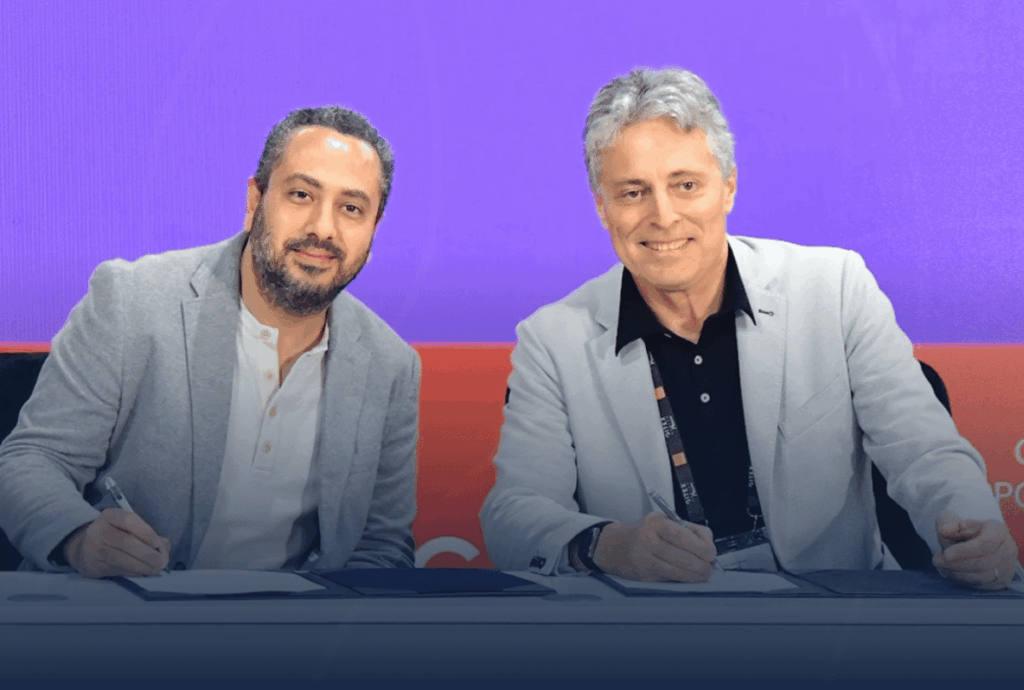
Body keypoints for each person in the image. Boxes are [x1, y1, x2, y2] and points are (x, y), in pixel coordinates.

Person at [480, 68, 1019, 590]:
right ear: (603, 208)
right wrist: (607, 544)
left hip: (832, 625)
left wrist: (973, 528)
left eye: (686, 185)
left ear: (729, 188)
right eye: (633, 192)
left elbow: (924, 450)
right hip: (654, 631)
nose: (663, 216)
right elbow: (513, 513)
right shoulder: (552, 341)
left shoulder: (835, 289)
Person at [0, 106, 420, 577]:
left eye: (351, 208)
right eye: (302, 195)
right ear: (255, 200)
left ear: (373, 229)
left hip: (299, 620)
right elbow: (31, 461)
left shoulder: (391, 365)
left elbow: (381, 544)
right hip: (123, 610)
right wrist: (79, 538)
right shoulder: (132, 300)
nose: (324, 228)